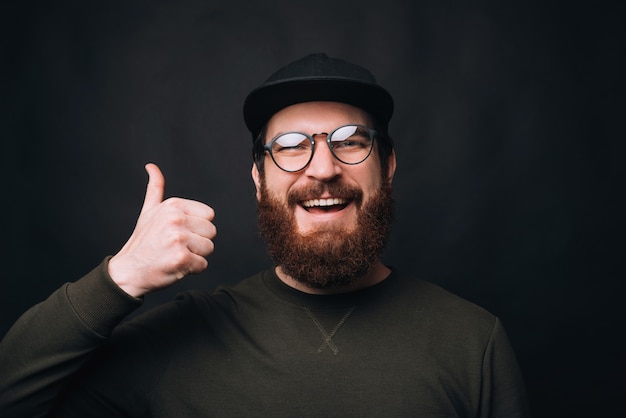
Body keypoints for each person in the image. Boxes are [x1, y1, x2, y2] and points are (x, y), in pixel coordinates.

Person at [0, 53, 530, 417]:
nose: (322, 168)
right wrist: (119, 278)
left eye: (350, 141)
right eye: (293, 145)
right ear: (259, 180)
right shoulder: (182, 339)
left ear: (388, 166)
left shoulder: (472, 343)